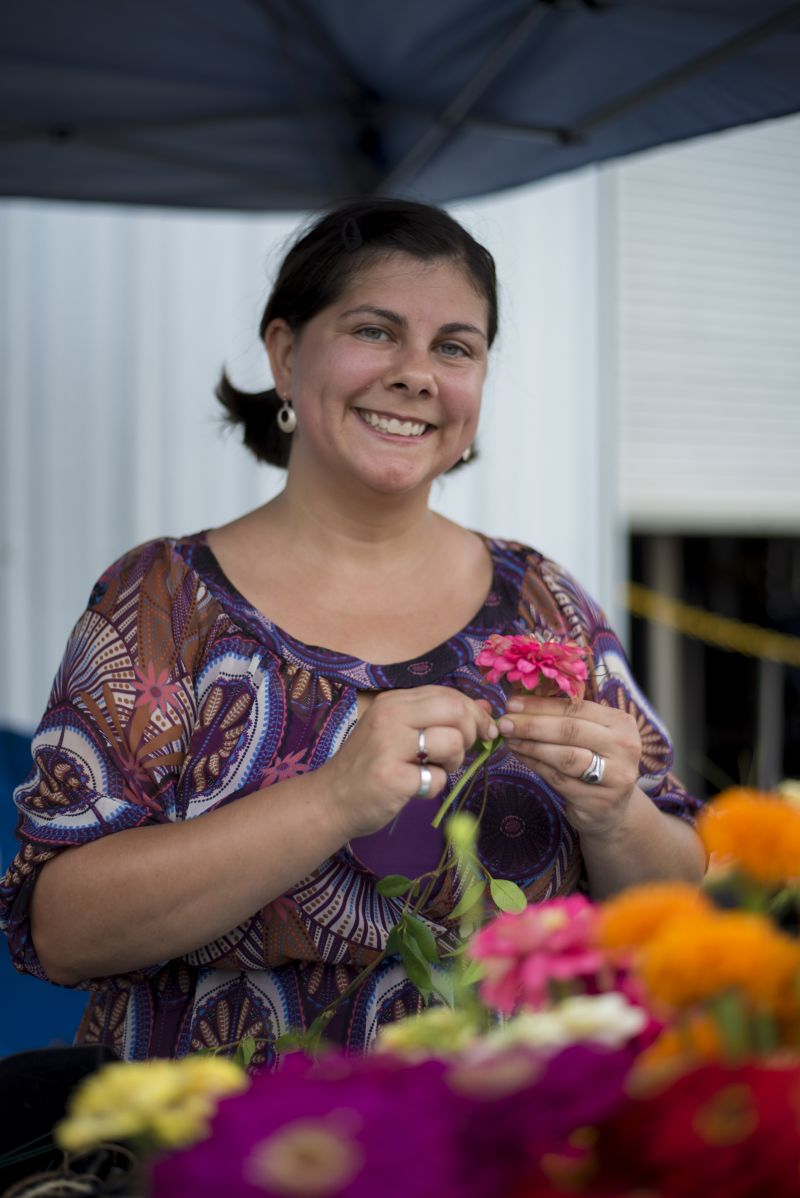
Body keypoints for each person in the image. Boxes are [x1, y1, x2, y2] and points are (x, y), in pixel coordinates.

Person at [0, 199, 705, 1066]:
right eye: (376, 331)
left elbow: (674, 896)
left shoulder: (545, 602)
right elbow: (61, 932)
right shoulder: (162, 603)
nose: (417, 374)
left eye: (455, 346)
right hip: (214, 1150)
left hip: (503, 1146)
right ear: (287, 353)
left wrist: (615, 813)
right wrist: (331, 800)